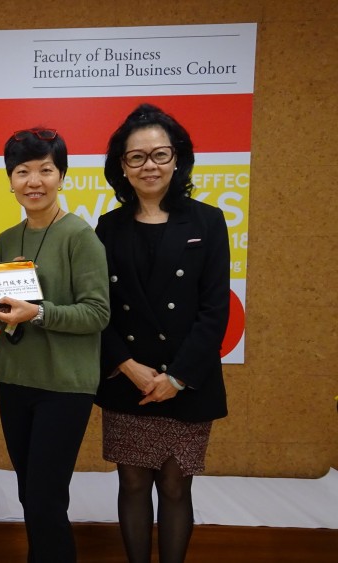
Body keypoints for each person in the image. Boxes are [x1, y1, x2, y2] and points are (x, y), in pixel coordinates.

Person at [94, 104, 230, 563]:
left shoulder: (207, 221)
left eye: (159, 154)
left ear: (177, 159)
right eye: (137, 157)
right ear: (122, 167)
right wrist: (127, 366)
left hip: (185, 381)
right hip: (129, 378)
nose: (149, 165)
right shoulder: (108, 227)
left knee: (175, 484)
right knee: (131, 482)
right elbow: (100, 311)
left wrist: (176, 378)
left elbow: (214, 311)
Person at [0, 127, 110, 562]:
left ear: (62, 177)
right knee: (29, 493)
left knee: (45, 497)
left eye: (45, 170)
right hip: (15, 380)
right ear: (10, 180)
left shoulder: (80, 236)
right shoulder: (6, 239)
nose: (33, 181)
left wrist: (37, 313)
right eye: (22, 171)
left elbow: (97, 313)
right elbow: (2, 309)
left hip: (64, 387)